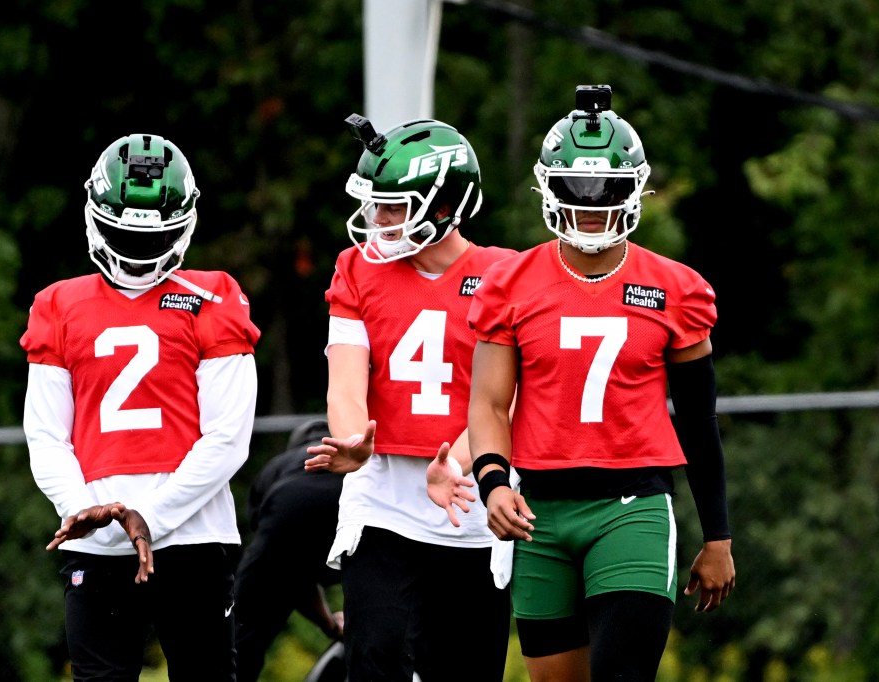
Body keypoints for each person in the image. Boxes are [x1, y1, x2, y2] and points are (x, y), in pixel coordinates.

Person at [461, 84, 736, 681]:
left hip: (630, 507)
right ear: (548, 188)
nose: (589, 206)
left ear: (635, 188)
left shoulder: (676, 288)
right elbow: (487, 402)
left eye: (606, 191)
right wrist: (492, 485)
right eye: (575, 190)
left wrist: (718, 535)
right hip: (538, 510)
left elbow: (697, 420)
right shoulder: (510, 284)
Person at [20, 132, 260, 681]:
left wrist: (142, 516)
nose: (135, 252)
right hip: (117, 538)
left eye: (150, 238)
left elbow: (228, 438)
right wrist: (83, 508)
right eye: (122, 233)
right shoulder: (59, 305)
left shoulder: (211, 297)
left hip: (187, 541)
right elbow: (46, 435)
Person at [304, 114, 515, 681]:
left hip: (471, 502)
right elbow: (346, 381)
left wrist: (460, 458)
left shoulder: (505, 275)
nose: (379, 219)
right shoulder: (356, 269)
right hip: (384, 499)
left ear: (444, 206)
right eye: (377, 204)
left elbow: (509, 399)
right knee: (375, 657)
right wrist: (352, 443)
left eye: (394, 205)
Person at [234, 418, 346, 682]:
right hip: (354, 494)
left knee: (242, 636)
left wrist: (329, 624)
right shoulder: (351, 456)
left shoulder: (279, 465)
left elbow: (284, 568)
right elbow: (299, 580)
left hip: (288, 504)